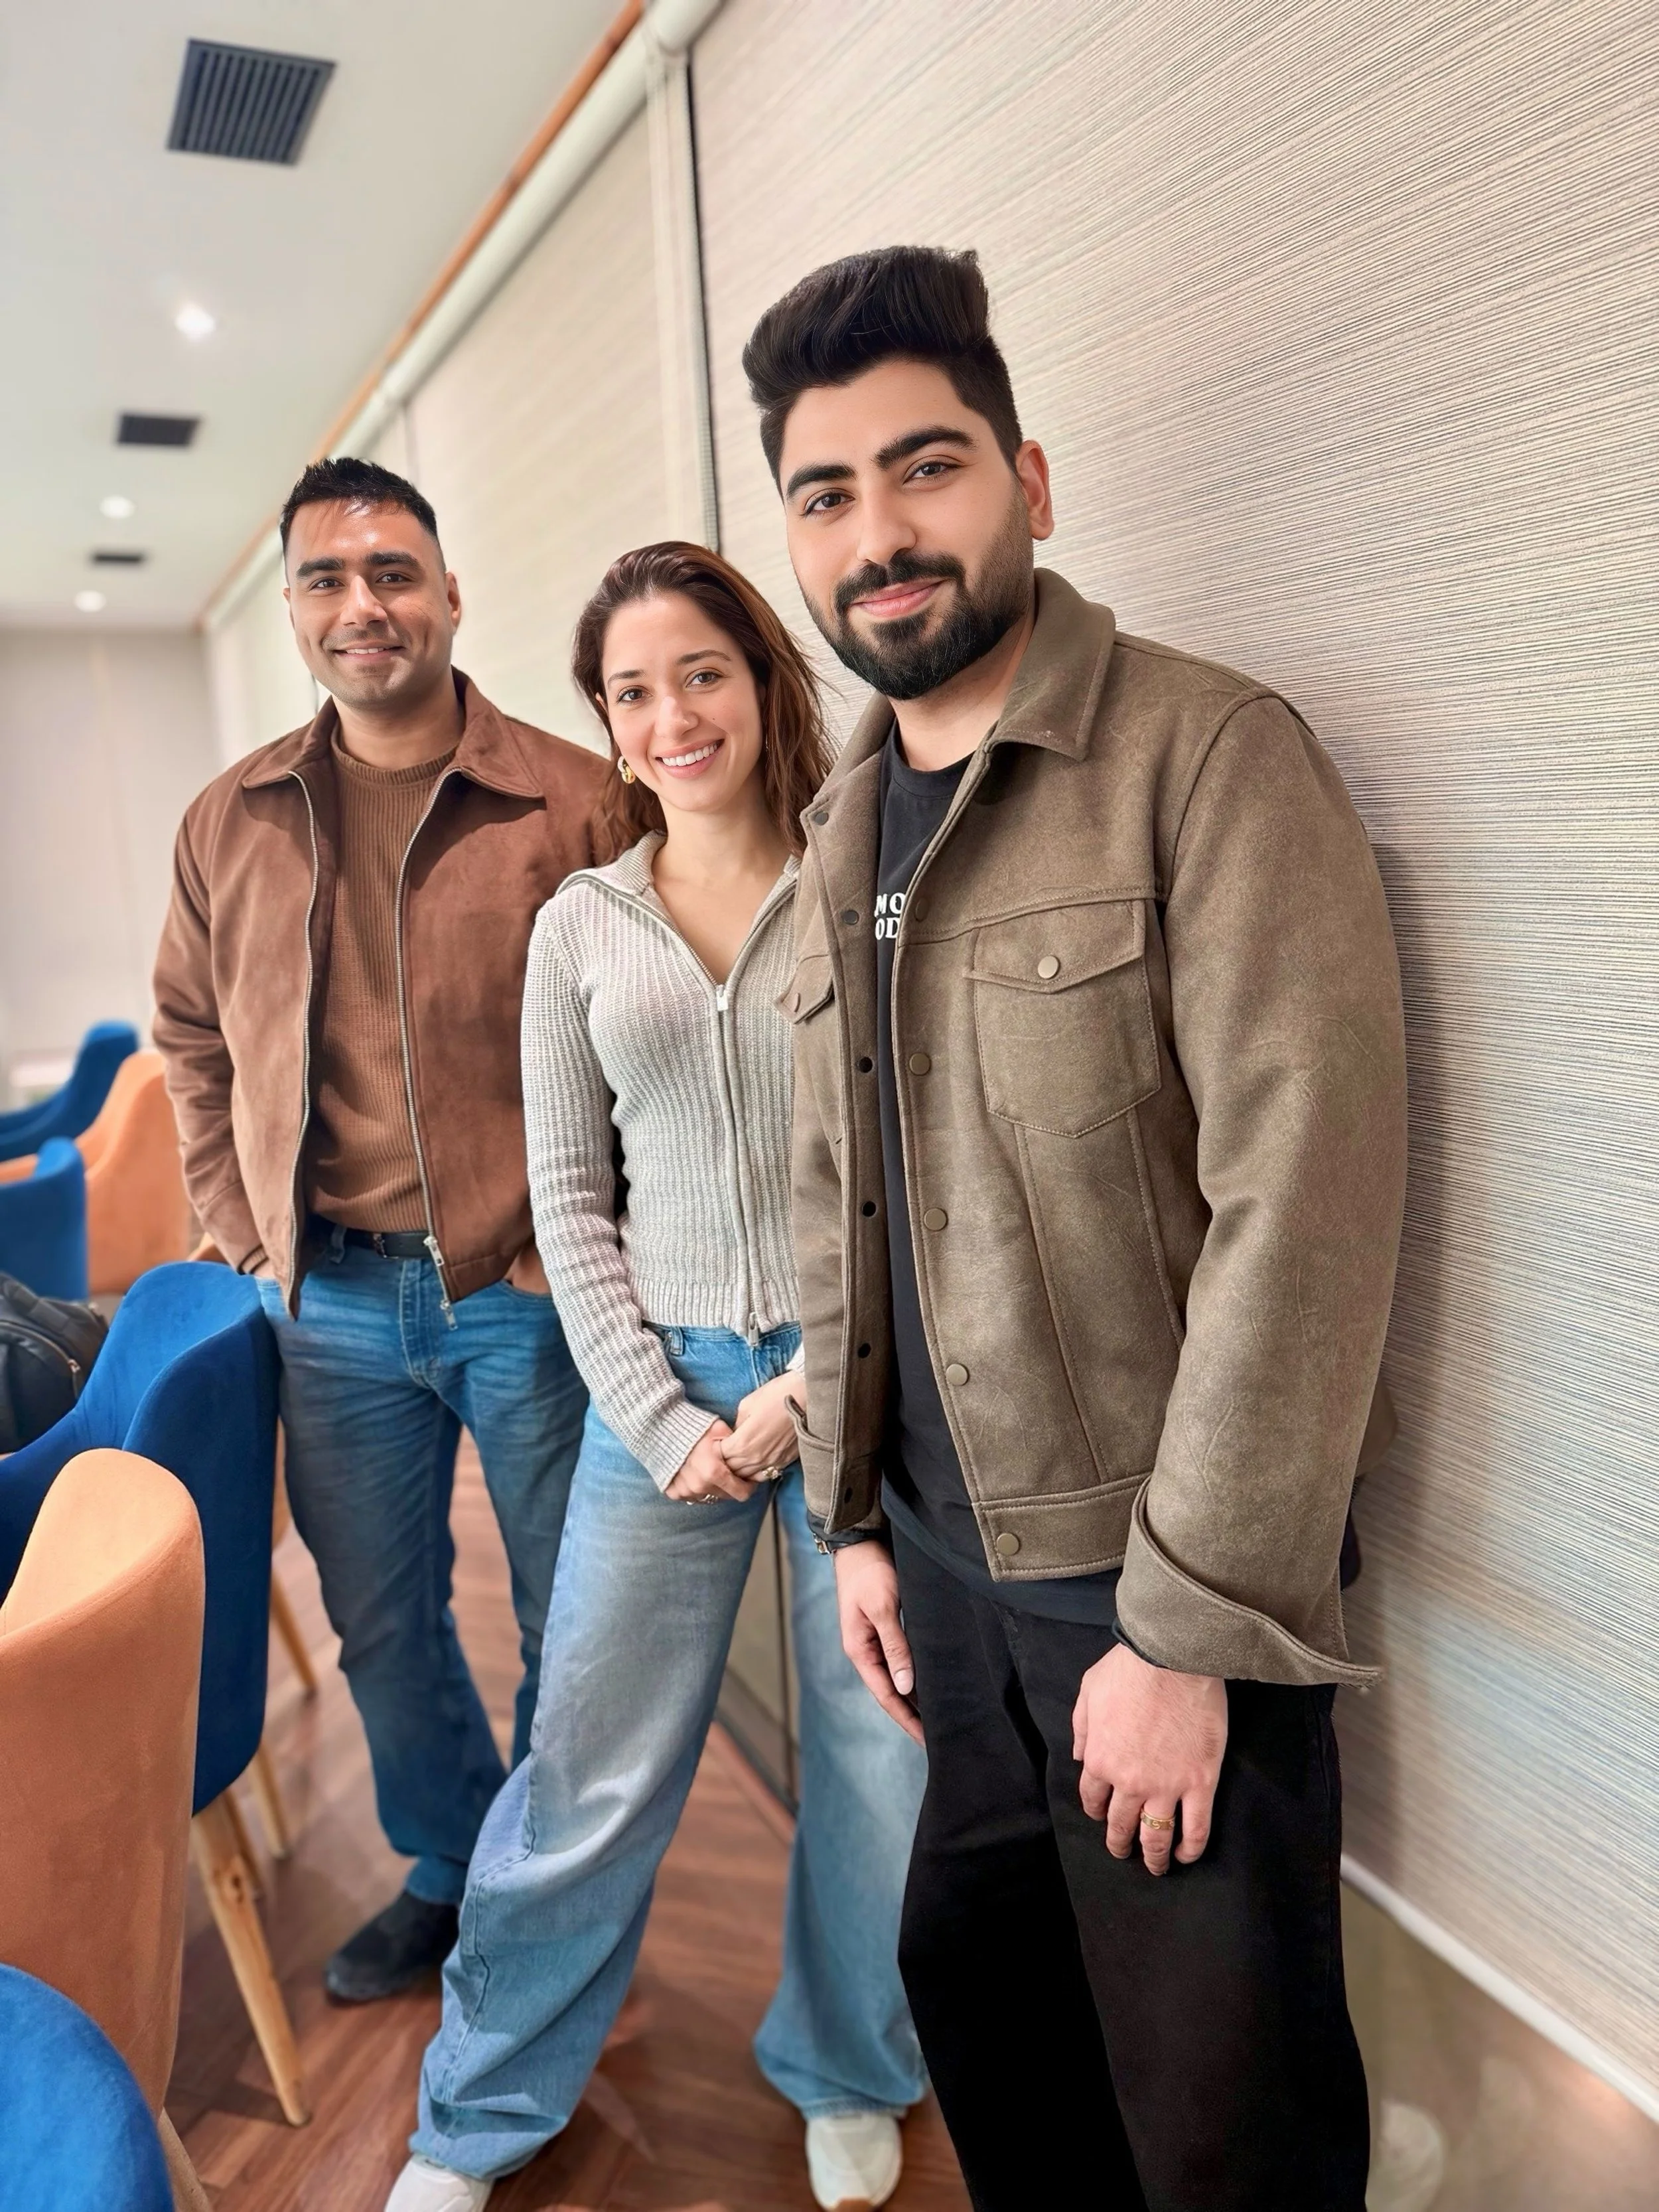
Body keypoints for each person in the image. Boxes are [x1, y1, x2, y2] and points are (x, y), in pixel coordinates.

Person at [745, 246, 1407, 2211]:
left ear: (1028, 477)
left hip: (1150, 1584)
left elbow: (1306, 1200)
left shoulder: (1204, 760)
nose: (880, 533)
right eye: (824, 491)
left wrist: (1184, 1628)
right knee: (1003, 2043)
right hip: (942, 1594)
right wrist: (849, 1517)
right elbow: (827, 1205)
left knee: (1226, 2129)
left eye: (922, 467)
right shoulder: (834, 838)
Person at [388, 543, 927, 2212]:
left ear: (766, 682)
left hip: (853, 1383)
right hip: (660, 1389)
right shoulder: (579, 926)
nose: (672, 713)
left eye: (702, 670)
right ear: (609, 731)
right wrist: (660, 1412)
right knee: (589, 1768)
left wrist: (802, 1396)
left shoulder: (867, 881)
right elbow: (567, 1197)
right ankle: (468, 2123)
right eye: (633, 690)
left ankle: (849, 2066)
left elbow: (911, 1166)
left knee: (877, 1757)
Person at [153, 457, 608, 2004]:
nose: (366, 606)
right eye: (328, 580)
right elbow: (188, 1033)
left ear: (450, 593)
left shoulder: (572, 795)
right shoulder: (233, 820)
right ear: (292, 608)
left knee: (577, 1619)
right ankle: (449, 1860)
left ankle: (550, 1893)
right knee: (380, 1629)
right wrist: (232, 1218)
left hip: (534, 1292)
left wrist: (598, 1246)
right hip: (331, 1304)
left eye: (394, 572)